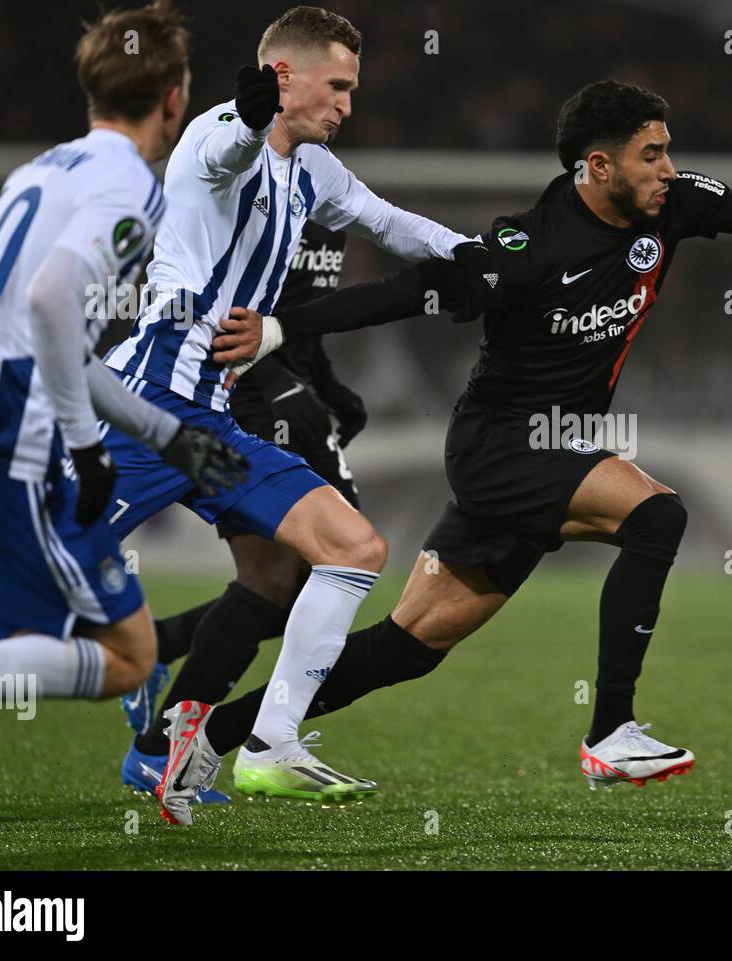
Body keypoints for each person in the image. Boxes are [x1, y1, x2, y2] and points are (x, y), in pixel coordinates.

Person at [162, 79, 732, 820]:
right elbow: (410, 291)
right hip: (499, 444)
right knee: (658, 514)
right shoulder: (529, 247)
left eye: (669, 151)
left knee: (407, 648)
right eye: (651, 154)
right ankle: (610, 730)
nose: (669, 168)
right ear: (598, 166)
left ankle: (209, 738)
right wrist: (281, 327)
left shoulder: (674, 206)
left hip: (547, 450)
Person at [97, 6, 472, 823]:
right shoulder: (210, 139)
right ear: (284, 78)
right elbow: (232, 145)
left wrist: (476, 255)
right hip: (147, 408)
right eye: (336, 87)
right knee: (21, 600)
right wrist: (251, 111)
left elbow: (388, 222)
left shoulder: (315, 171)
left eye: (352, 89)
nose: (347, 105)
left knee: (344, 551)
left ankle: (263, 742)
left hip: (213, 422)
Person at [0, 1, 247, 744]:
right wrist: (83, 442)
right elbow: (51, 302)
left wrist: (164, 432)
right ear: (175, 97)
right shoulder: (131, 186)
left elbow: (59, 339)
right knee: (129, 656)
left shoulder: (42, 170)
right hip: (6, 446)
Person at [119, 221, 367, 804]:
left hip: (289, 394)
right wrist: (281, 385)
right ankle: (160, 750)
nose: (339, 121)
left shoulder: (325, 200)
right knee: (298, 574)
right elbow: (219, 306)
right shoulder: (252, 188)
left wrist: (325, 384)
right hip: (235, 399)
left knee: (298, 582)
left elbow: (300, 316)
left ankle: (156, 662)